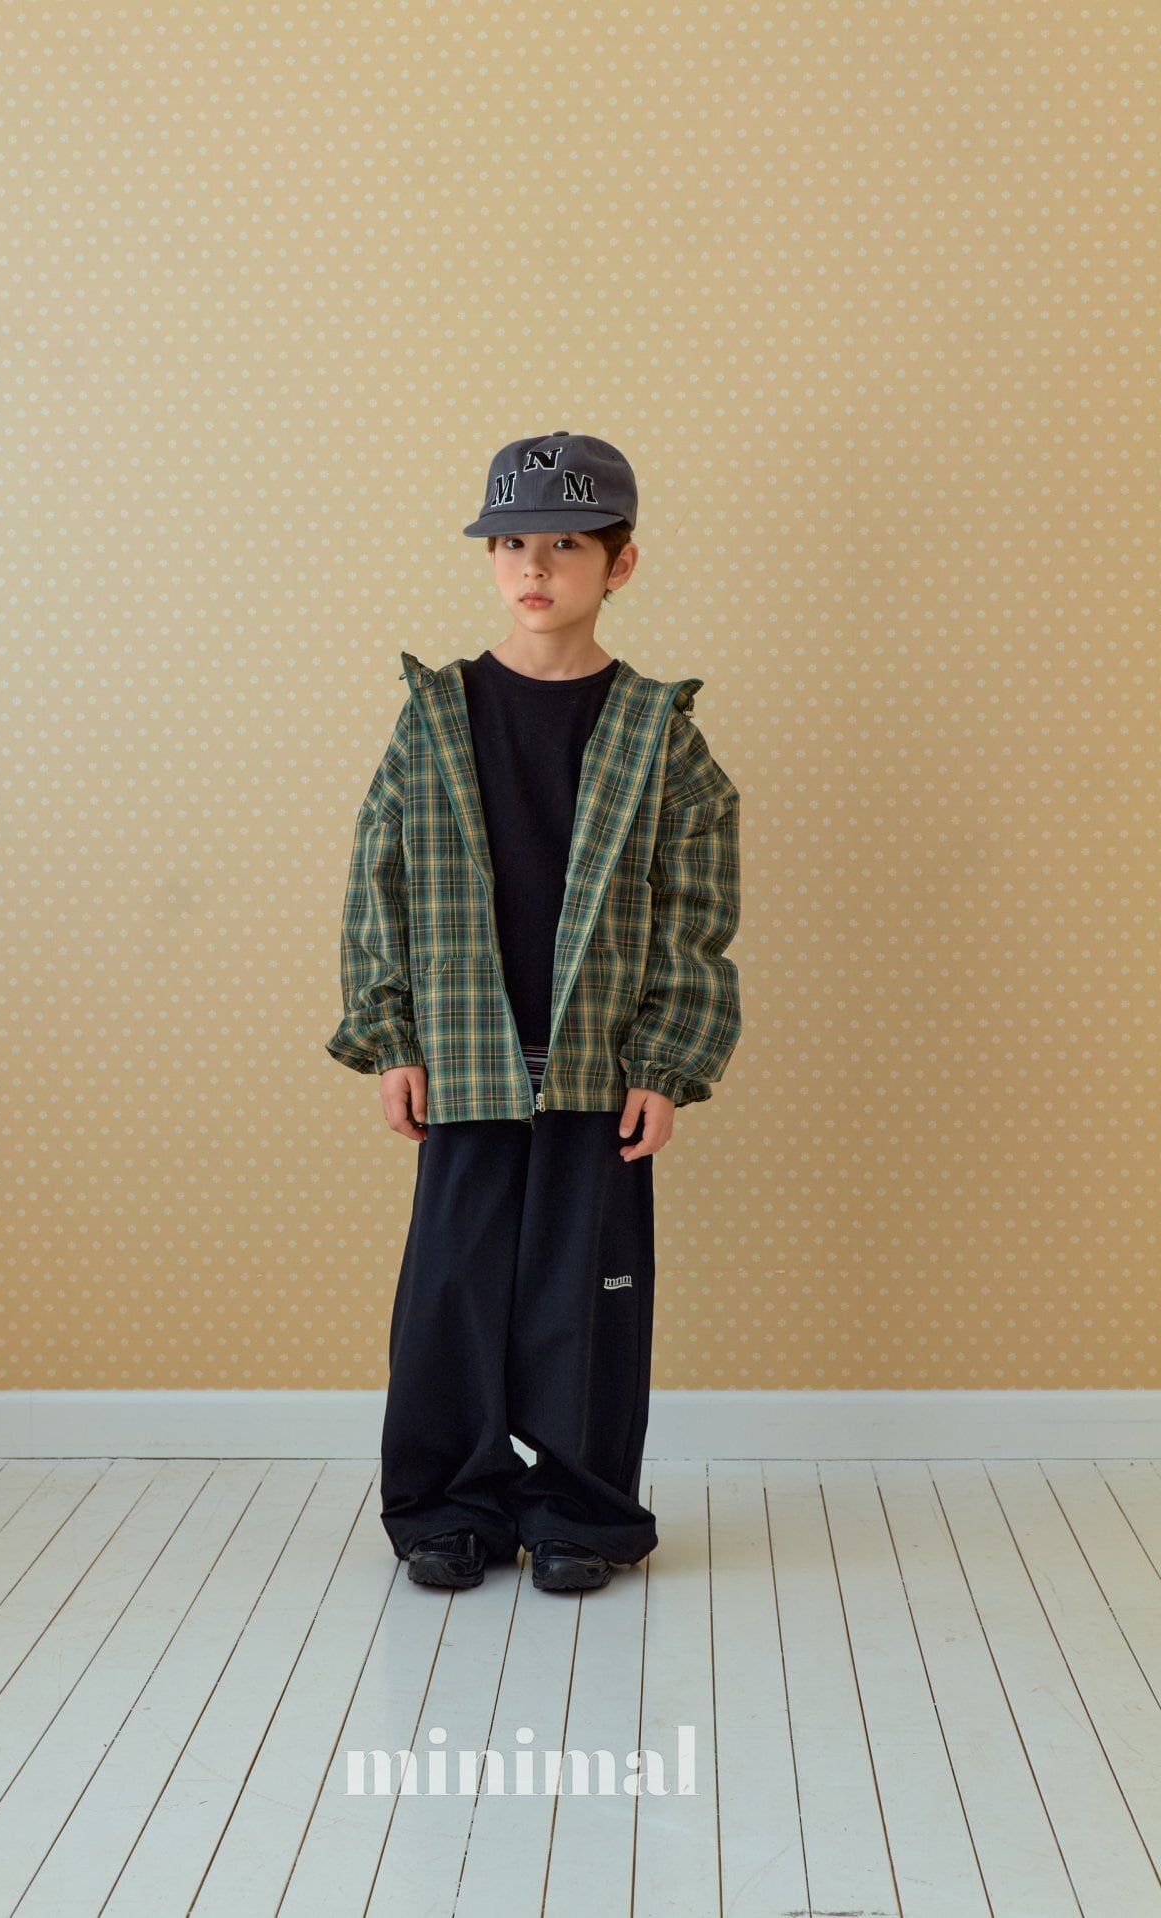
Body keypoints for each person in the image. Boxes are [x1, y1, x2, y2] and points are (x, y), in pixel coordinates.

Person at [325, 431, 742, 1594]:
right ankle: (447, 1503)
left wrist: (664, 1059)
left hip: (596, 1061)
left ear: (620, 564)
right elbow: (378, 880)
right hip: (463, 1051)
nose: (534, 566)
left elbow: (695, 910)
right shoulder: (436, 715)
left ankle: (577, 1508)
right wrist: (390, 1037)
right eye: (511, 543)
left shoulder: (657, 731)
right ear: (489, 557)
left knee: (586, 1295)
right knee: (450, 1287)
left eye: (565, 544)